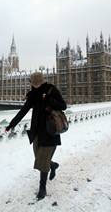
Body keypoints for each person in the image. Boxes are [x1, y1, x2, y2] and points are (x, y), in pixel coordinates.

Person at [5, 72, 67, 200]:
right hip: (37, 131)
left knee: (42, 160)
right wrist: (11, 125)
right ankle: (53, 165)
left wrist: (49, 100)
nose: (35, 86)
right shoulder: (32, 94)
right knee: (39, 158)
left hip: (50, 130)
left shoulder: (51, 90)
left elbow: (63, 106)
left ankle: (42, 187)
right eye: (33, 84)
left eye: (36, 84)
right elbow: (23, 111)